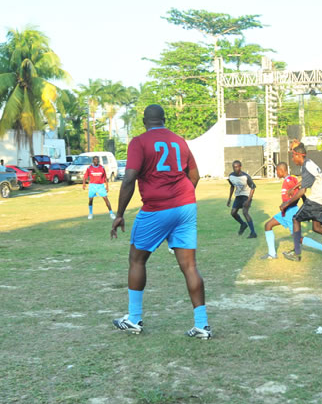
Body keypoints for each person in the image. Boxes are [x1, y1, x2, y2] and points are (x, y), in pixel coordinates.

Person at [110, 104, 211, 339]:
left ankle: (134, 318)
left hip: (157, 208)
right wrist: (180, 197)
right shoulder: (179, 140)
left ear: (144, 121)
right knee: (189, 266)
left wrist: (119, 214)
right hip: (186, 206)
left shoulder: (139, 142)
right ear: (164, 120)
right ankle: (202, 325)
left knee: (137, 259)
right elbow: (194, 175)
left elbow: (129, 179)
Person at [261, 162, 322, 261]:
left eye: (277, 171)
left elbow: (299, 194)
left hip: (290, 212)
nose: (276, 173)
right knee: (268, 225)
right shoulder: (290, 179)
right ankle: (272, 254)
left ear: (281, 170)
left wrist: (286, 204)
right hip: (285, 212)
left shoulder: (289, 181)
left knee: (298, 238)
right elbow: (300, 192)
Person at [226, 161, 257, 238]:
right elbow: (232, 186)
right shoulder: (231, 176)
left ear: (240, 167)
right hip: (238, 196)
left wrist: (248, 200)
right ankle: (243, 224)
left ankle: (253, 233)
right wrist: (229, 199)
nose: (235, 168)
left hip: (246, 196)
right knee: (233, 213)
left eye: (237, 167)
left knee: (245, 212)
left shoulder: (246, 176)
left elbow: (253, 188)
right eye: (234, 167)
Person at [83, 156, 115, 220]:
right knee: (90, 199)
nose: (96, 161)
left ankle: (111, 213)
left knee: (105, 198)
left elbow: (105, 178)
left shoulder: (102, 168)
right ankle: (90, 213)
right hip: (92, 185)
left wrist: (107, 186)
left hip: (100, 186)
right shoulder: (89, 168)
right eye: (95, 159)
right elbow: (85, 176)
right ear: (93, 161)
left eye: (97, 159)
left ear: (98, 161)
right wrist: (84, 184)